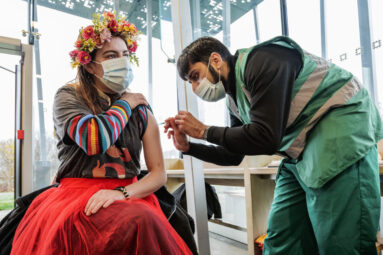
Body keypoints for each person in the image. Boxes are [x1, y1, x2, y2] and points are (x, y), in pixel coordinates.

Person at [164, 35, 383, 254]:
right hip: (300, 152)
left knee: (341, 243)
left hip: (342, 129)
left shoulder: (263, 60)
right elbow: (233, 155)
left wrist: (203, 131)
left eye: (195, 76)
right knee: (282, 242)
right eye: (190, 82)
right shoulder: (235, 100)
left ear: (215, 59)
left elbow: (266, 137)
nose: (195, 88)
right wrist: (189, 148)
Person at [11, 12, 192, 255]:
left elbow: (158, 174)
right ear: (89, 64)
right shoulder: (69, 97)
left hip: (130, 193)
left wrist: (121, 193)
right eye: (111, 55)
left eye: (125, 55)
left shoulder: (143, 111)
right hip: (73, 195)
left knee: (143, 221)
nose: (122, 61)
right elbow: (93, 139)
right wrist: (126, 103)